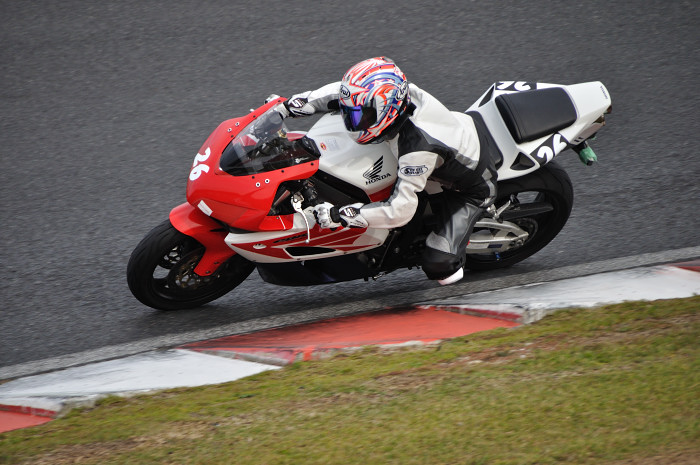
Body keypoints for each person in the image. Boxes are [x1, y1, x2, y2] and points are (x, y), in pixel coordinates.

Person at [275, 57, 499, 285]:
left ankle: (450, 254)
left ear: (387, 111)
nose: (354, 121)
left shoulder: (416, 149)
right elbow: (339, 94)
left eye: (363, 116)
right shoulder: (393, 96)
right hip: (449, 147)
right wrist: (289, 106)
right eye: (351, 114)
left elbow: (399, 211)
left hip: (471, 186)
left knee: (440, 266)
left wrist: (340, 215)